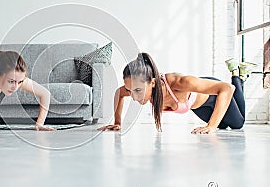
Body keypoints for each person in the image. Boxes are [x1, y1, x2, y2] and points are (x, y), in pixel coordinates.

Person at [98, 52, 256, 134]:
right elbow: (119, 93)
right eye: (131, 91)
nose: (133, 96)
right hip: (199, 107)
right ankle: (240, 75)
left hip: (213, 94)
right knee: (222, 126)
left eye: (138, 91)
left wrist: (211, 126)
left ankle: (237, 74)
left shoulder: (180, 82)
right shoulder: (136, 87)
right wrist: (118, 122)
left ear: (152, 82)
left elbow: (226, 89)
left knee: (237, 124)